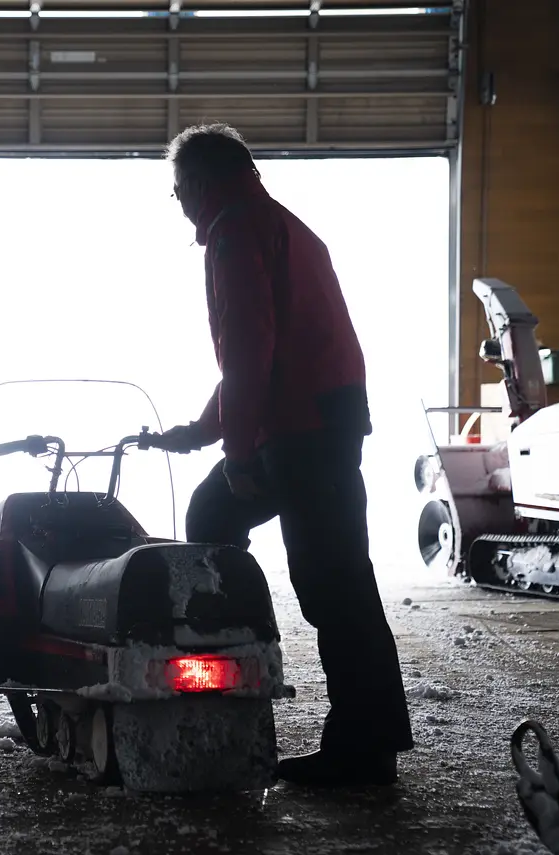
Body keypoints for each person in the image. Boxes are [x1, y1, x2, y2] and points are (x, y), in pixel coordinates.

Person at [150, 123, 414, 787]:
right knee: (221, 523)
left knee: (333, 583)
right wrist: (204, 430)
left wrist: (237, 453)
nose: (179, 205)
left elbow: (248, 351)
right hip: (312, 421)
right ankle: (233, 668)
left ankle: (359, 747)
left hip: (299, 430)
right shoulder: (276, 223)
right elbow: (260, 353)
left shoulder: (235, 232)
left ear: (204, 183)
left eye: (179, 191)